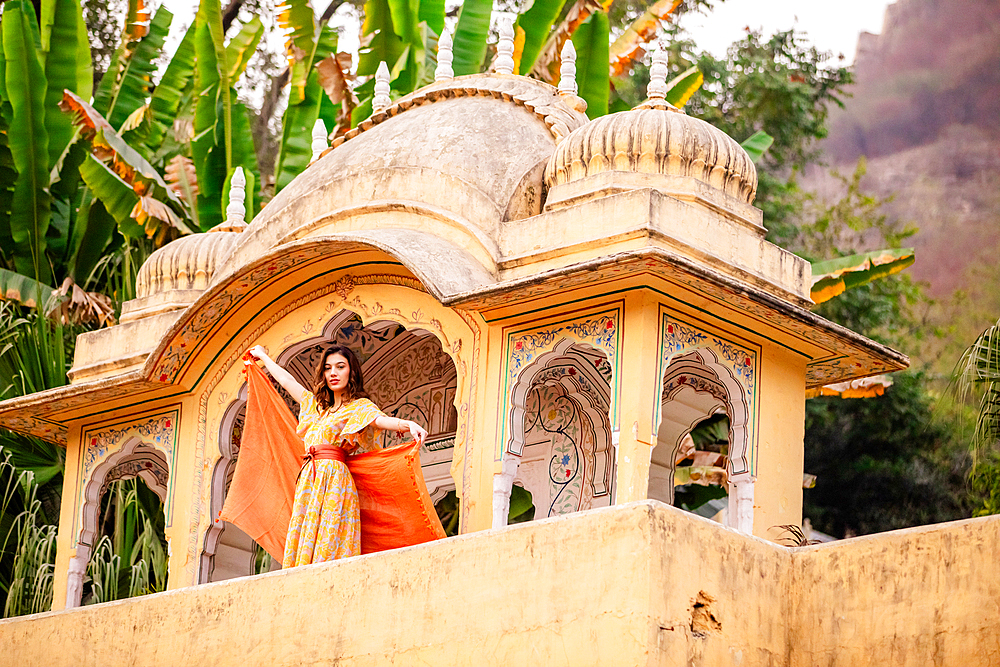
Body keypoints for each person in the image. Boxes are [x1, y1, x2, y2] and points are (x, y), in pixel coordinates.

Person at [247, 344, 428, 567]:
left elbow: (379, 420)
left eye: (340, 367)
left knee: (329, 539)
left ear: (351, 372)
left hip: (334, 479)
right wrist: (264, 357)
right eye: (328, 368)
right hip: (309, 479)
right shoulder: (315, 406)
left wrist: (408, 424)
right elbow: (288, 382)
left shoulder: (358, 407)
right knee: (306, 534)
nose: (333, 373)